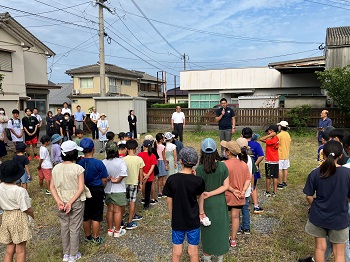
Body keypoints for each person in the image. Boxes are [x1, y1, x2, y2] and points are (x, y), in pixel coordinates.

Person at [303, 140, 350, 262]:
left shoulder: (315, 173)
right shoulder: (347, 174)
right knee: (339, 253)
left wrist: (315, 205)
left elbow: (308, 196)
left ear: (323, 154)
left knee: (320, 248)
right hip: (339, 217)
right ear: (341, 156)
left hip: (318, 216)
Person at [163, 147, 205, 262]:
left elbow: (169, 200)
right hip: (193, 219)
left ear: (180, 161)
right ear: (195, 163)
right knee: (193, 251)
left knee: (176, 251)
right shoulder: (199, 181)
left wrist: (172, 215)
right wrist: (201, 212)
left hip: (178, 219)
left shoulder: (171, 179)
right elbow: (200, 195)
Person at [50, 140, 89, 262]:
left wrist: (58, 201)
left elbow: (52, 186)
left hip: (61, 200)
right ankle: (73, 254)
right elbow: (81, 187)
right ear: (74, 154)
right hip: (76, 201)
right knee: (74, 227)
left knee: (64, 226)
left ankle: (66, 254)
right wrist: (71, 202)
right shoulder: (78, 168)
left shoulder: (56, 168)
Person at [196, 138, 230, 262]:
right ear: (216, 151)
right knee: (221, 229)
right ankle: (220, 258)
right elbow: (226, 186)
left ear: (202, 152)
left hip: (205, 204)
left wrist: (200, 211)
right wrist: (212, 193)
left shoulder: (200, 169)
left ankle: (207, 258)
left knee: (207, 232)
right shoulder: (222, 166)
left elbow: (200, 194)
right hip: (220, 203)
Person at [0, 160, 34, 262]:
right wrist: (32, 215)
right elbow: (27, 208)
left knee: (9, 248)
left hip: (6, 216)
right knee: (21, 250)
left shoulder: (0, 187)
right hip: (18, 217)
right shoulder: (20, 190)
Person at [220, 140, 251, 248]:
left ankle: (223, 237)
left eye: (225, 149)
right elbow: (248, 179)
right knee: (235, 217)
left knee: (224, 217)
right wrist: (243, 191)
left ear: (228, 152)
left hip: (226, 195)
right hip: (239, 196)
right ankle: (233, 240)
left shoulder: (223, 165)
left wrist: (232, 190)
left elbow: (222, 182)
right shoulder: (243, 164)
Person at [78, 138, 108, 244]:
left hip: (83, 190)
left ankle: (88, 236)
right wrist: (102, 187)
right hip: (96, 190)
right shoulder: (98, 163)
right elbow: (104, 179)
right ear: (93, 149)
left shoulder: (79, 163)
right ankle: (96, 238)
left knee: (86, 214)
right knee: (96, 215)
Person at [102, 142, 127, 238]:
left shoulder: (104, 162)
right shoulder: (120, 161)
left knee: (109, 209)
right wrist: (118, 179)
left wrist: (107, 178)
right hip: (119, 188)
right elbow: (124, 172)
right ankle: (117, 230)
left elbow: (102, 175)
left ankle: (110, 228)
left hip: (107, 189)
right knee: (117, 211)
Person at [241, 127, 264, 214]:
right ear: (252, 135)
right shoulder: (256, 145)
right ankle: (256, 206)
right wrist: (255, 164)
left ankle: (242, 204)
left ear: (242, 135)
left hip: (241, 170)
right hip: (252, 170)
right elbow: (261, 156)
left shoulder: (240, 145)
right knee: (253, 187)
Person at [123, 140, 145, 229]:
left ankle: (120, 220)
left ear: (126, 148)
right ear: (136, 148)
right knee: (132, 202)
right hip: (134, 183)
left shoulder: (123, 159)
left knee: (123, 202)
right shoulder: (139, 159)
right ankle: (129, 222)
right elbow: (141, 173)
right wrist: (141, 184)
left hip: (123, 183)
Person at [259, 125, 279, 197]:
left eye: (269, 131)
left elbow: (261, 139)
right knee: (275, 177)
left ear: (272, 131)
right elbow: (266, 141)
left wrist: (270, 135)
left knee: (268, 177)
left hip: (269, 161)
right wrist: (271, 135)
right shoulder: (276, 138)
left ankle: (267, 191)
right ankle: (274, 191)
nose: (267, 132)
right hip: (276, 160)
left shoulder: (272, 139)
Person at [138, 140, 157, 209]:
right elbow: (153, 166)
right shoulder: (152, 155)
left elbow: (139, 166)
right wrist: (148, 174)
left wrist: (143, 173)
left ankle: (143, 198)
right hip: (150, 175)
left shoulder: (139, 155)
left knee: (143, 186)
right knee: (148, 189)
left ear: (144, 146)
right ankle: (147, 204)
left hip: (141, 174)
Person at [277, 121, 291, 189]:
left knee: (279, 169)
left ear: (281, 127)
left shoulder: (279, 135)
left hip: (280, 154)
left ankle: (280, 183)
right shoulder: (288, 134)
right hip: (286, 154)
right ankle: (284, 182)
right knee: (285, 168)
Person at [155, 133, 168, 198]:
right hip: (162, 161)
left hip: (157, 161)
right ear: (160, 140)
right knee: (164, 178)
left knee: (159, 178)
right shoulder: (163, 147)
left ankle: (159, 192)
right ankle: (165, 191)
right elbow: (164, 156)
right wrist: (166, 164)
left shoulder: (155, 145)